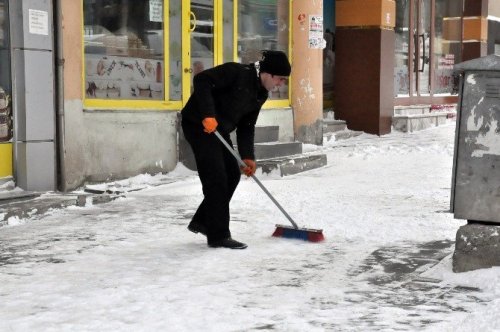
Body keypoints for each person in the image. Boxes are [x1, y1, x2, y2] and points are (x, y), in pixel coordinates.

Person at [181, 50, 291, 249]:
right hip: (198, 124)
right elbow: (202, 80)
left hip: (218, 130)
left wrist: (248, 157)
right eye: (280, 79)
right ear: (268, 73)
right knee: (216, 177)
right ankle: (218, 235)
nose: (281, 84)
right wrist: (207, 114)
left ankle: (204, 221)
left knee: (232, 173)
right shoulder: (236, 72)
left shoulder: (260, 94)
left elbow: (246, 126)